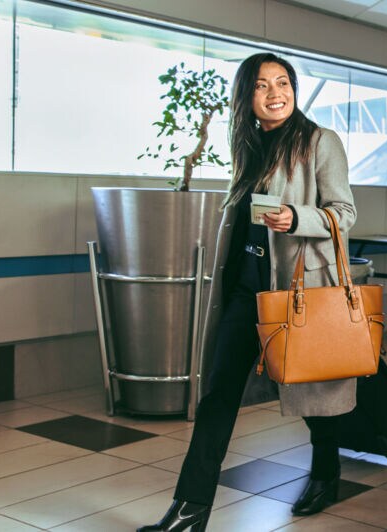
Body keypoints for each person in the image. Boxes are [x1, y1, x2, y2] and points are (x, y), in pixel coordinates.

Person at [140, 52, 359, 531]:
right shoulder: (249, 144)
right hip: (246, 288)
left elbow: (344, 212)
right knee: (219, 395)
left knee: (310, 386)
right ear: (247, 96)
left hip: (297, 288)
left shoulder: (320, 141)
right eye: (262, 86)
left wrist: (297, 218)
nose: (276, 93)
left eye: (283, 83)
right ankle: (190, 511)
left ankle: (326, 470)